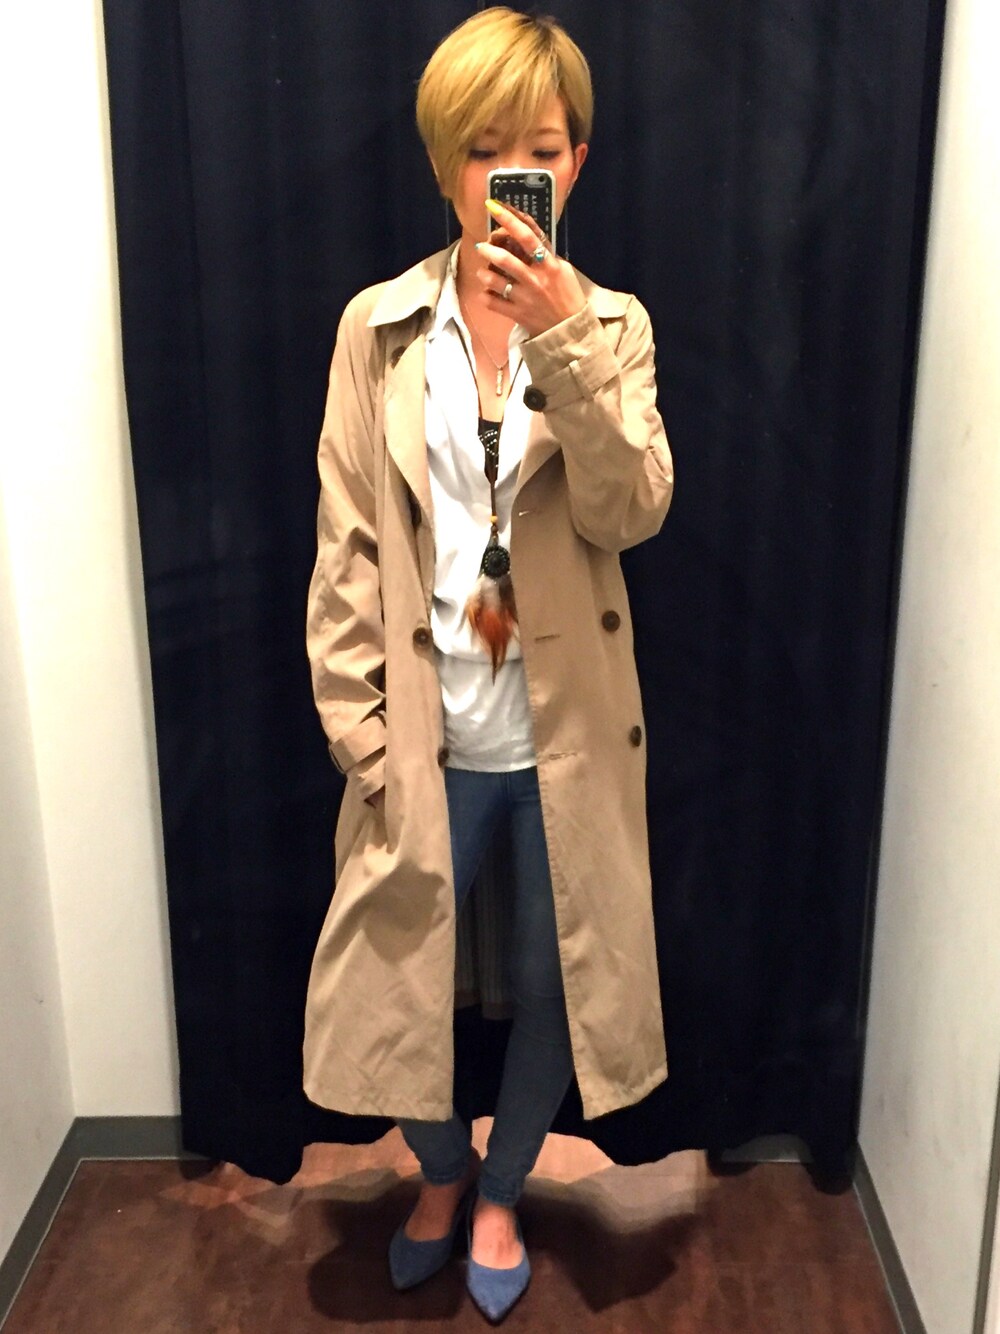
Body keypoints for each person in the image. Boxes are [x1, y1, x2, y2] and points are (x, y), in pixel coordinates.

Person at [303, 7, 674, 1322]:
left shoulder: (612, 325)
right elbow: (348, 543)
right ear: (444, 162)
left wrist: (564, 339)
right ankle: (442, 1171)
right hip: (427, 732)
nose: (513, 174)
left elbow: (633, 509)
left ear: (577, 164)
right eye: (484, 149)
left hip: (564, 736)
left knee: (565, 984)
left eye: (543, 149)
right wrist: (363, 738)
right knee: (394, 979)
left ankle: (505, 1186)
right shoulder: (380, 329)